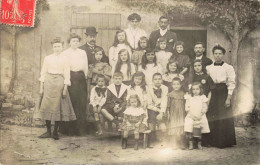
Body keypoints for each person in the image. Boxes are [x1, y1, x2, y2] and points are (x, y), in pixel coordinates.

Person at [36, 37, 76, 140]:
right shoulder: (48, 58)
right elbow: (43, 73)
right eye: (55, 46)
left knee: (57, 107)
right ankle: (48, 131)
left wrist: (65, 88)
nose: (57, 48)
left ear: (62, 47)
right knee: (47, 106)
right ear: (52, 47)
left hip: (59, 82)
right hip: (48, 83)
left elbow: (67, 75)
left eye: (58, 46)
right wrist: (41, 88)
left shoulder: (65, 59)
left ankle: (55, 132)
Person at [206, 44, 236, 148]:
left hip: (223, 92)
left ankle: (224, 141)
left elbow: (231, 83)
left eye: (219, 54)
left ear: (223, 55)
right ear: (213, 54)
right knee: (212, 115)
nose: (217, 56)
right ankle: (212, 141)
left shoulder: (228, 67)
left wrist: (228, 98)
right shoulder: (208, 68)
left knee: (223, 116)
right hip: (213, 92)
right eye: (215, 54)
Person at [59, 33, 88, 136]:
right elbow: (63, 67)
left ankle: (80, 129)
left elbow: (85, 66)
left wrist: (85, 77)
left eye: (77, 41)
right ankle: (69, 129)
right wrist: (67, 80)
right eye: (73, 41)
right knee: (72, 102)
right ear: (69, 42)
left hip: (80, 78)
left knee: (81, 102)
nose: (75, 43)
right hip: (70, 77)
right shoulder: (65, 53)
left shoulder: (82, 52)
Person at [184, 82, 210, 150]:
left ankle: (199, 143)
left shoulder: (203, 97)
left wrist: (200, 115)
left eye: (197, 89)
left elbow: (205, 108)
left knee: (200, 129)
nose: (195, 91)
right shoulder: (189, 97)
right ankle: (191, 143)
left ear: (200, 90)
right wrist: (192, 116)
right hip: (191, 115)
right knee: (190, 128)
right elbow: (187, 108)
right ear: (191, 90)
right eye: (193, 89)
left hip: (200, 116)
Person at [147, 73, 168, 146]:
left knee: (163, 127)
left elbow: (164, 101)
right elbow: (149, 104)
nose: (157, 81)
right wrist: (157, 110)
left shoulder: (165, 88)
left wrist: (161, 112)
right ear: (152, 80)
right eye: (155, 79)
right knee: (151, 125)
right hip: (152, 109)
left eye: (159, 79)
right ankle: (151, 140)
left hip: (162, 109)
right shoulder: (149, 88)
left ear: (162, 80)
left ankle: (163, 140)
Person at [167, 77, 185, 149]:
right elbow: (168, 105)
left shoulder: (183, 94)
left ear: (180, 85)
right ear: (172, 85)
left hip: (181, 113)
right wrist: (168, 113)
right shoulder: (170, 94)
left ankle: (181, 143)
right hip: (173, 113)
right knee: (173, 127)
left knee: (181, 127)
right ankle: (174, 143)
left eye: (178, 84)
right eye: (174, 84)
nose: (176, 86)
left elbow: (185, 104)